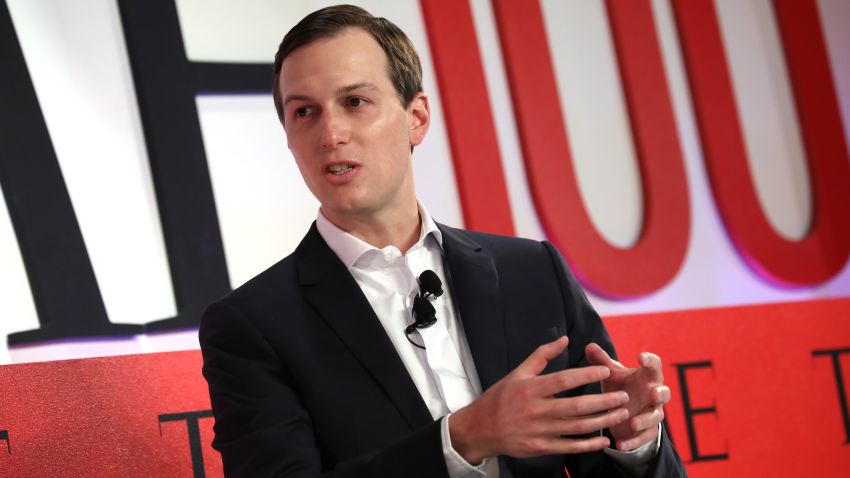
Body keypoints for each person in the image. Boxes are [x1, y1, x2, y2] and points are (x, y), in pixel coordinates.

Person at [199, 5, 686, 477]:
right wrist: (463, 439)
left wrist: (632, 444)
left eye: (354, 102)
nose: (330, 134)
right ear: (288, 135)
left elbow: (604, 459)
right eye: (304, 111)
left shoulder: (533, 273)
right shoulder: (252, 327)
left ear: (416, 117)